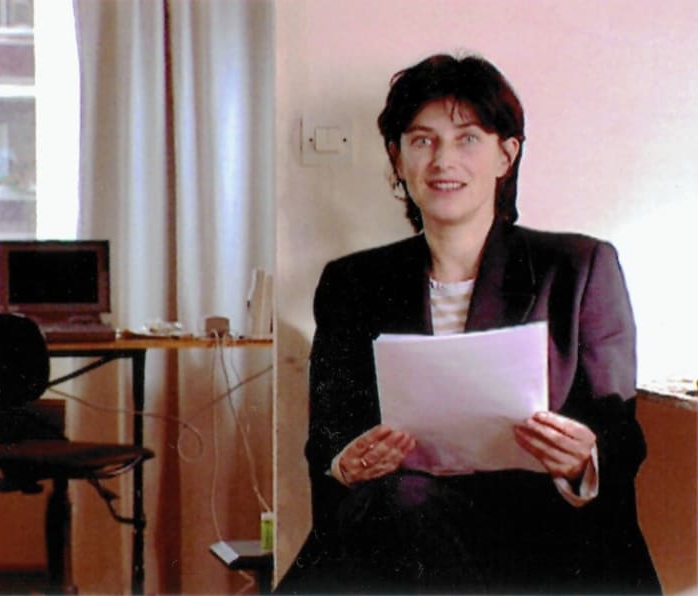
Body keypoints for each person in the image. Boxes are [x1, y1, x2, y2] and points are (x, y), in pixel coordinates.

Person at [279, 53, 661, 594]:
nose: (443, 161)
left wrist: (583, 456)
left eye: (467, 139)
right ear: (397, 158)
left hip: (540, 535)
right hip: (400, 528)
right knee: (397, 504)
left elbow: (621, 435)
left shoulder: (578, 267)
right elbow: (326, 437)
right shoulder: (352, 283)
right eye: (422, 140)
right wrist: (348, 461)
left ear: (506, 155)